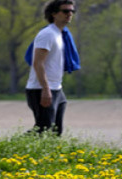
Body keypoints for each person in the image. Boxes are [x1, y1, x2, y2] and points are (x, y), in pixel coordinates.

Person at [24, 0, 80, 135]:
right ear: (54, 14)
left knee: (55, 132)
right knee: (43, 130)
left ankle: (50, 155)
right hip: (40, 89)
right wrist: (45, 89)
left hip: (56, 89)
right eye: (65, 11)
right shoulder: (47, 34)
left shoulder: (60, 34)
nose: (69, 14)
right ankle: (7, 152)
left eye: (72, 11)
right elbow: (38, 63)